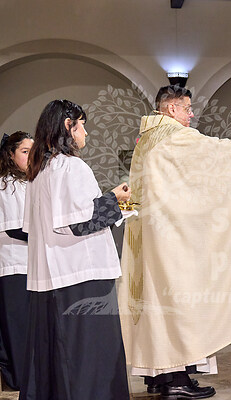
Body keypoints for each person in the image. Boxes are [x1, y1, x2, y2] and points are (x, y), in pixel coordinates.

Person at [119, 85, 231, 399]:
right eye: (187, 108)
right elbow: (216, 152)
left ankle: (160, 376)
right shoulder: (174, 135)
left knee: (157, 305)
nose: (191, 115)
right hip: (172, 241)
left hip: (151, 236)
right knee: (180, 304)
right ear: (171, 108)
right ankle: (177, 378)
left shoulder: (146, 138)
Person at [20, 100, 131, 400]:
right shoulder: (71, 166)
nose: (86, 133)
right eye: (81, 125)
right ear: (68, 127)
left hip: (52, 278)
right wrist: (115, 199)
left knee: (59, 357)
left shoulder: (39, 171)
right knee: (90, 361)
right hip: (82, 275)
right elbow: (79, 223)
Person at [0, 131, 33, 390]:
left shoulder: (27, 182)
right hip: (13, 265)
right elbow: (14, 228)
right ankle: (20, 381)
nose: (31, 156)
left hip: (29, 266)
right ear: (10, 155)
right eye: (24, 151)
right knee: (18, 329)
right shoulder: (6, 184)